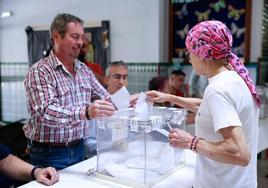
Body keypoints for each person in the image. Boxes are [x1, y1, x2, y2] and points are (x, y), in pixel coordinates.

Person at [146, 20, 260, 188]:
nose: (189, 59)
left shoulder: (217, 89)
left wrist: (190, 142)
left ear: (202, 53)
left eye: (189, 52)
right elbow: (210, 109)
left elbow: (240, 153)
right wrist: (169, 97)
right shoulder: (235, 78)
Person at [24, 13, 115, 170]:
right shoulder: (40, 71)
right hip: (49, 154)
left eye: (82, 37)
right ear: (57, 36)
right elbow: (47, 113)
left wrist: (128, 102)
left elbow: (105, 97)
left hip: (79, 148)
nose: (80, 42)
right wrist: (86, 112)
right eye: (74, 36)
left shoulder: (83, 70)